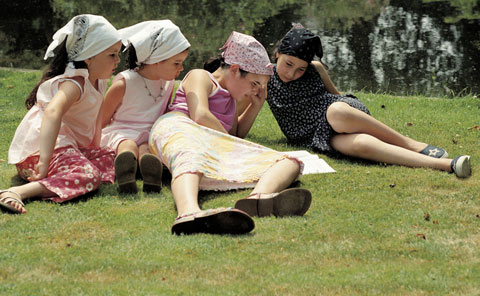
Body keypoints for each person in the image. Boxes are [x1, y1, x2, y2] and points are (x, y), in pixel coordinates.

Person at [149, 31, 312, 235]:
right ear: (234, 70)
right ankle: (188, 213)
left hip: (211, 144)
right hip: (179, 128)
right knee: (190, 155)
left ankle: (257, 199)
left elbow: (236, 136)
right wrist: (233, 145)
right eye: (255, 84)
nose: (257, 90)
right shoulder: (201, 77)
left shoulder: (232, 99)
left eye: (261, 86)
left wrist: (256, 105)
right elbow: (200, 115)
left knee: (290, 162)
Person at [266, 24, 472, 178]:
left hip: (339, 113)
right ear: (277, 54)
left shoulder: (316, 69)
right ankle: (448, 165)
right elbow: (240, 121)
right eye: (289, 64)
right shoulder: (263, 78)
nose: (293, 73)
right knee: (361, 145)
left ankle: (412, 144)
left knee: (337, 112)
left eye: (301, 68)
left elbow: (337, 96)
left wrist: (347, 117)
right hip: (314, 137)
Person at [0, 14, 123, 215]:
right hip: (38, 155)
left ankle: (74, 172)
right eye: (112, 55)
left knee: (109, 155)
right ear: (89, 57)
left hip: (66, 148)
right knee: (90, 175)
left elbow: (96, 121)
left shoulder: (97, 80)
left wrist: (93, 150)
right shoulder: (75, 83)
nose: (118, 60)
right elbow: (52, 112)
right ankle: (17, 192)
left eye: (118, 54)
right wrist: (44, 162)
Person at [101, 20, 190, 194]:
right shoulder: (125, 82)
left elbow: (163, 113)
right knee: (127, 144)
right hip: (122, 130)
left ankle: (150, 174)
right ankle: (126, 171)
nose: (181, 68)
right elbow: (102, 118)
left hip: (149, 134)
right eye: (176, 63)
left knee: (146, 148)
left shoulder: (169, 83)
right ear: (157, 60)